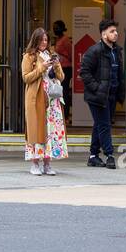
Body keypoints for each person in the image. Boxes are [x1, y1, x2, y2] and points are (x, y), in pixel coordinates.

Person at [79, 18, 125, 169]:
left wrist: (120, 91)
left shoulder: (116, 51)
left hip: (111, 94)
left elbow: (119, 73)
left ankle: (93, 156)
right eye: (112, 31)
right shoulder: (95, 51)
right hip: (98, 96)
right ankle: (110, 155)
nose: (116, 33)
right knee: (104, 125)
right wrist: (97, 88)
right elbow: (84, 72)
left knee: (99, 124)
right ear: (104, 34)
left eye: (116, 31)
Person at [22, 27, 67, 175]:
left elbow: (61, 77)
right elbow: (26, 77)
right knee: (37, 129)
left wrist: (56, 65)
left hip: (52, 99)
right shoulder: (29, 56)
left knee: (51, 130)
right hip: (36, 98)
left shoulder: (50, 54)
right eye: (41, 39)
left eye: (46, 39)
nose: (44, 42)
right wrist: (42, 67)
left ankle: (48, 163)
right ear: (35, 40)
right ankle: (35, 163)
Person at [52, 20, 73, 114]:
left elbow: (70, 53)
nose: (55, 29)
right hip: (59, 67)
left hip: (66, 68)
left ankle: (66, 112)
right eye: (54, 28)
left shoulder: (65, 40)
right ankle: (61, 111)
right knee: (59, 90)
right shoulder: (58, 39)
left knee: (64, 90)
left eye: (56, 27)